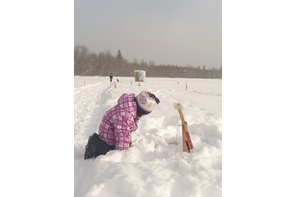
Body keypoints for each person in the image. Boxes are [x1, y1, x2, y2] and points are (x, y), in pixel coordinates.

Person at [84, 91, 160, 160]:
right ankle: (95, 147)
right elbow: (122, 138)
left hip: (109, 137)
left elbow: (126, 130)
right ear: (141, 110)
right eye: (143, 114)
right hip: (107, 143)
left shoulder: (128, 107)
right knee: (123, 145)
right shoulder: (124, 116)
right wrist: (123, 156)